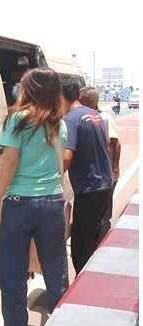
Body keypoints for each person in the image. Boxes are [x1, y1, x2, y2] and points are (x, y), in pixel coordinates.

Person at [0, 68, 68, 326]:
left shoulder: (18, 120)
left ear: (28, 89)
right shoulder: (59, 123)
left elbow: (9, 162)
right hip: (52, 203)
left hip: (19, 203)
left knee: (12, 270)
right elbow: (60, 165)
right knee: (55, 268)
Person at [63, 78, 114, 273]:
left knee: (80, 244)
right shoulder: (96, 115)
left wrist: (53, 179)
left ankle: (83, 287)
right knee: (95, 236)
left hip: (89, 188)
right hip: (105, 184)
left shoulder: (71, 119)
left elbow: (67, 156)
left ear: (63, 97)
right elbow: (106, 145)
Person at [78, 86, 121, 237]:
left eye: (81, 101)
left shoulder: (104, 117)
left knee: (103, 216)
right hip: (92, 173)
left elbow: (116, 143)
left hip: (105, 173)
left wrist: (115, 168)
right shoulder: (83, 117)